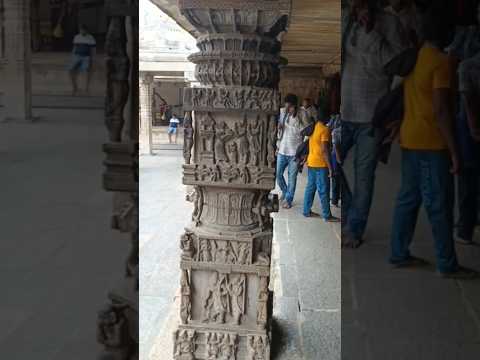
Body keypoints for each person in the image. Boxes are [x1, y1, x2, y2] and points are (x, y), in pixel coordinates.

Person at [389, 6, 477, 279]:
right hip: (431, 143)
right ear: (445, 32)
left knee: (408, 199)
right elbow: (441, 110)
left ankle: (398, 253)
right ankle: (447, 263)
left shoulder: (413, 58)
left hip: (410, 137)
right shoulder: (441, 62)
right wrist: (454, 151)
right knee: (439, 204)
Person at [341, 0, 408, 247]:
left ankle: (354, 229)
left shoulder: (389, 23)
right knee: (328, 164)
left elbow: (401, 65)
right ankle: (348, 212)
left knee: (364, 177)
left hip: (372, 115)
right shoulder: (347, 20)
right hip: (345, 111)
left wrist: (376, 35)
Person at [303, 116, 340, 222]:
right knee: (323, 190)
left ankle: (306, 211)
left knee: (310, 187)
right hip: (321, 164)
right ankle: (327, 215)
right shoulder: (324, 129)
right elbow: (324, 150)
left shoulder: (313, 127)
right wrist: (330, 167)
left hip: (311, 161)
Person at [277, 94, 308, 209]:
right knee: (278, 174)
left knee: (292, 178)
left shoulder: (302, 114)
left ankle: (288, 199)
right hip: (282, 150)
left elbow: (308, 132)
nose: (287, 109)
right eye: (286, 106)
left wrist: (304, 152)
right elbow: (279, 127)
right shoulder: (283, 112)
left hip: (295, 153)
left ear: (295, 106)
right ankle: (285, 192)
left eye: (290, 107)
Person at [68, 24, 96, 95]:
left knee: (86, 71)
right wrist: (72, 57)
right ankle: (75, 87)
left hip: (86, 57)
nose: (82, 31)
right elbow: (74, 48)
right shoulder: (77, 37)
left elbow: (93, 49)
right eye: (81, 30)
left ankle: (86, 88)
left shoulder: (90, 38)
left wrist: (93, 59)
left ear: (86, 31)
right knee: (71, 70)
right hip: (77, 56)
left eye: (83, 30)